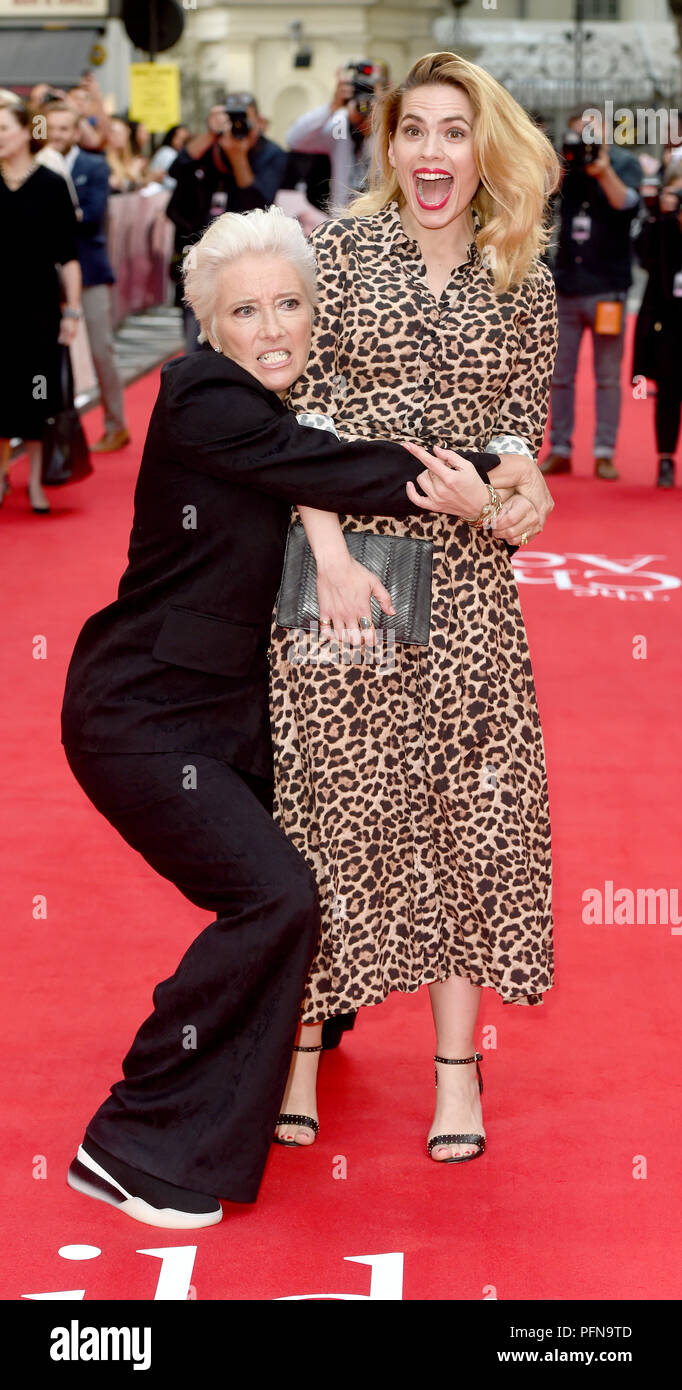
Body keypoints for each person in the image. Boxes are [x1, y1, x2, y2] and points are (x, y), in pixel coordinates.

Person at [59, 205, 534, 1229]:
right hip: (143, 718)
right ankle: (130, 1141)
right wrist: (493, 472)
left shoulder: (259, 404)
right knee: (275, 898)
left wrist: (496, 454)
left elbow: (317, 453)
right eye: (246, 311)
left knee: (302, 877)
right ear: (207, 323)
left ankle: (308, 1035)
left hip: (220, 722)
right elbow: (338, 467)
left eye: (288, 305)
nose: (272, 328)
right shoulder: (203, 394)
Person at [267, 50, 559, 1163]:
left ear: (483, 148)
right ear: (388, 146)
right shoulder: (337, 256)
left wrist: (502, 503)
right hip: (344, 566)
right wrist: (330, 558)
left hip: (471, 584)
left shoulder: (521, 272)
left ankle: (456, 1075)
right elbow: (296, 421)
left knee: (467, 817)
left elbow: (521, 442)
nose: (431, 151)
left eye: (453, 130)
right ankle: (297, 1053)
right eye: (413, 130)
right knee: (326, 812)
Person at [542, 107, 642, 481]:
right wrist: (560, 164)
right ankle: (560, 448)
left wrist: (602, 169)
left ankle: (604, 451)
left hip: (608, 288)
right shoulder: (568, 165)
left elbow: (625, 203)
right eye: (578, 132)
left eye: (591, 131)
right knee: (560, 375)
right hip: (567, 285)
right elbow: (542, 197)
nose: (584, 139)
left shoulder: (624, 163)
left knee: (607, 377)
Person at [0, 97, 81, 515]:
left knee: (37, 394)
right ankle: (1, 475)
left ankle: (34, 482)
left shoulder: (51, 184)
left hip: (38, 308)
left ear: (26, 131)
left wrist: (73, 311)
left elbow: (68, 255)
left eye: (3, 128)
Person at [167, 97, 288, 352]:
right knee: (197, 334)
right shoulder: (210, 147)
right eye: (231, 119)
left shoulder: (272, 154)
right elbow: (176, 170)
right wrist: (211, 134)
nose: (237, 126)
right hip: (201, 252)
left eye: (244, 120)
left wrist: (237, 156)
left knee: (241, 331)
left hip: (246, 255)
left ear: (259, 122)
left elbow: (258, 203)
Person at [46, 102, 130, 453]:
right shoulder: (36, 165)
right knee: (46, 355)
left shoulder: (94, 165)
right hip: (46, 272)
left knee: (101, 350)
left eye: (64, 128)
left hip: (91, 270)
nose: (57, 135)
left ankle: (116, 425)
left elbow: (92, 216)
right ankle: (50, 434)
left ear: (77, 130)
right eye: (51, 128)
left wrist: (49, 214)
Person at [632, 165, 682, 488]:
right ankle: (665, 458)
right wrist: (659, 216)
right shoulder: (660, 227)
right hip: (668, 324)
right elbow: (642, 257)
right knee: (668, 393)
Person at [285, 63, 385, 210]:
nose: (364, 105)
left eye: (370, 96)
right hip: (343, 215)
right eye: (358, 96)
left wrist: (383, 115)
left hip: (380, 215)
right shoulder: (340, 127)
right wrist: (334, 105)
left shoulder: (388, 129)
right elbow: (294, 139)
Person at [106, 115, 148, 192]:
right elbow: (110, 184)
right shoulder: (103, 159)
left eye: (122, 132)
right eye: (115, 132)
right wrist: (130, 173)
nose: (119, 136)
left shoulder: (126, 157)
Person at [148, 123, 190, 188]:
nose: (181, 142)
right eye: (178, 138)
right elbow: (170, 182)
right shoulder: (168, 152)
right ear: (171, 137)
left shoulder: (165, 151)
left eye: (184, 140)